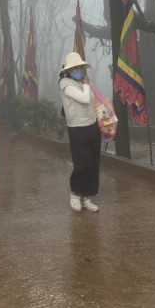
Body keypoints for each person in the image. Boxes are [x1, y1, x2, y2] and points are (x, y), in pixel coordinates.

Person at [59, 52, 100, 212]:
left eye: (81, 67)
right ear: (68, 70)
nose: (79, 70)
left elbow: (91, 101)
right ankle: (75, 194)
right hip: (77, 128)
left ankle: (87, 197)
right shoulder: (65, 83)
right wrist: (87, 84)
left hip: (92, 125)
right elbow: (84, 98)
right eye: (75, 68)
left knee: (92, 164)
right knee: (81, 164)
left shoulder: (82, 82)